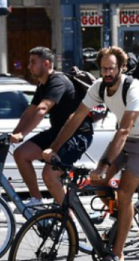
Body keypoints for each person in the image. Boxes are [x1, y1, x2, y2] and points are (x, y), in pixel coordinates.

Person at [42, 46, 139, 261]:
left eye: (111, 68)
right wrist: (54, 149)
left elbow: (124, 129)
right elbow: (76, 118)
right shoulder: (99, 87)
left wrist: (103, 165)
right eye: (103, 68)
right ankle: (122, 221)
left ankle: (118, 253)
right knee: (98, 182)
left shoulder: (134, 88)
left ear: (122, 68)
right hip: (125, 139)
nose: (107, 73)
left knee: (124, 193)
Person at [10, 46, 93, 208]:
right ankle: (37, 200)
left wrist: (22, 134)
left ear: (46, 64)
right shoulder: (43, 85)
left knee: (49, 175)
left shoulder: (57, 81)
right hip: (57, 132)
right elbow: (29, 112)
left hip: (76, 135)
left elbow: (42, 109)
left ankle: (70, 217)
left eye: (33, 62)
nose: (29, 66)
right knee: (21, 154)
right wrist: (15, 133)